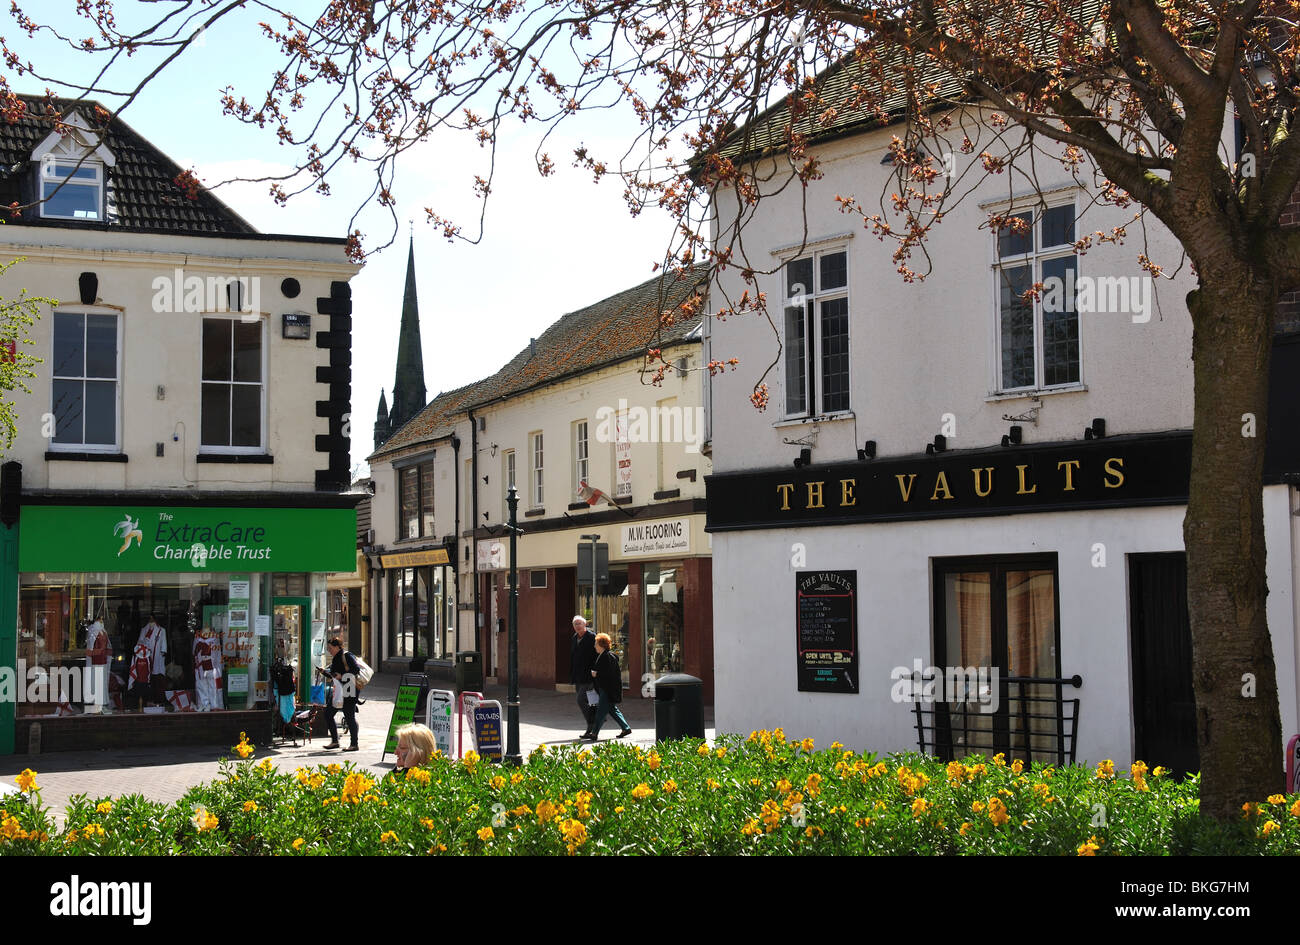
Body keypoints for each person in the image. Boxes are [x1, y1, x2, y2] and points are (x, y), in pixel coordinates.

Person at [584, 632, 632, 740]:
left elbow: (609, 674)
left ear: (601, 645)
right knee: (611, 709)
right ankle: (625, 727)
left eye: (596, 643)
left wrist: (596, 674)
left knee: (601, 711)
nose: (594, 646)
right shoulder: (604, 656)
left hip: (607, 689)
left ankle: (594, 733)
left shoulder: (606, 657)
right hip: (607, 688)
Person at [323, 637, 361, 751]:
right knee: (328, 713)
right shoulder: (335, 658)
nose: (329, 650)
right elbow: (334, 675)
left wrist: (342, 675)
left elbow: (356, 669)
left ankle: (354, 744)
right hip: (339, 690)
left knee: (349, 716)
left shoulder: (347, 655)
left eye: (330, 648)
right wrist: (324, 672)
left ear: (337, 647)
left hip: (349, 689)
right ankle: (335, 741)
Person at [568, 615, 597, 737]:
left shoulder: (592, 637)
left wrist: (595, 670)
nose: (577, 626)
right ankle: (593, 723)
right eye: (575, 624)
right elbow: (573, 657)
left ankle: (593, 722)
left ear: (585, 625)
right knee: (590, 701)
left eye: (579, 624)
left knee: (581, 700)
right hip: (578, 676)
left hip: (589, 676)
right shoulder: (575, 638)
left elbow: (597, 654)